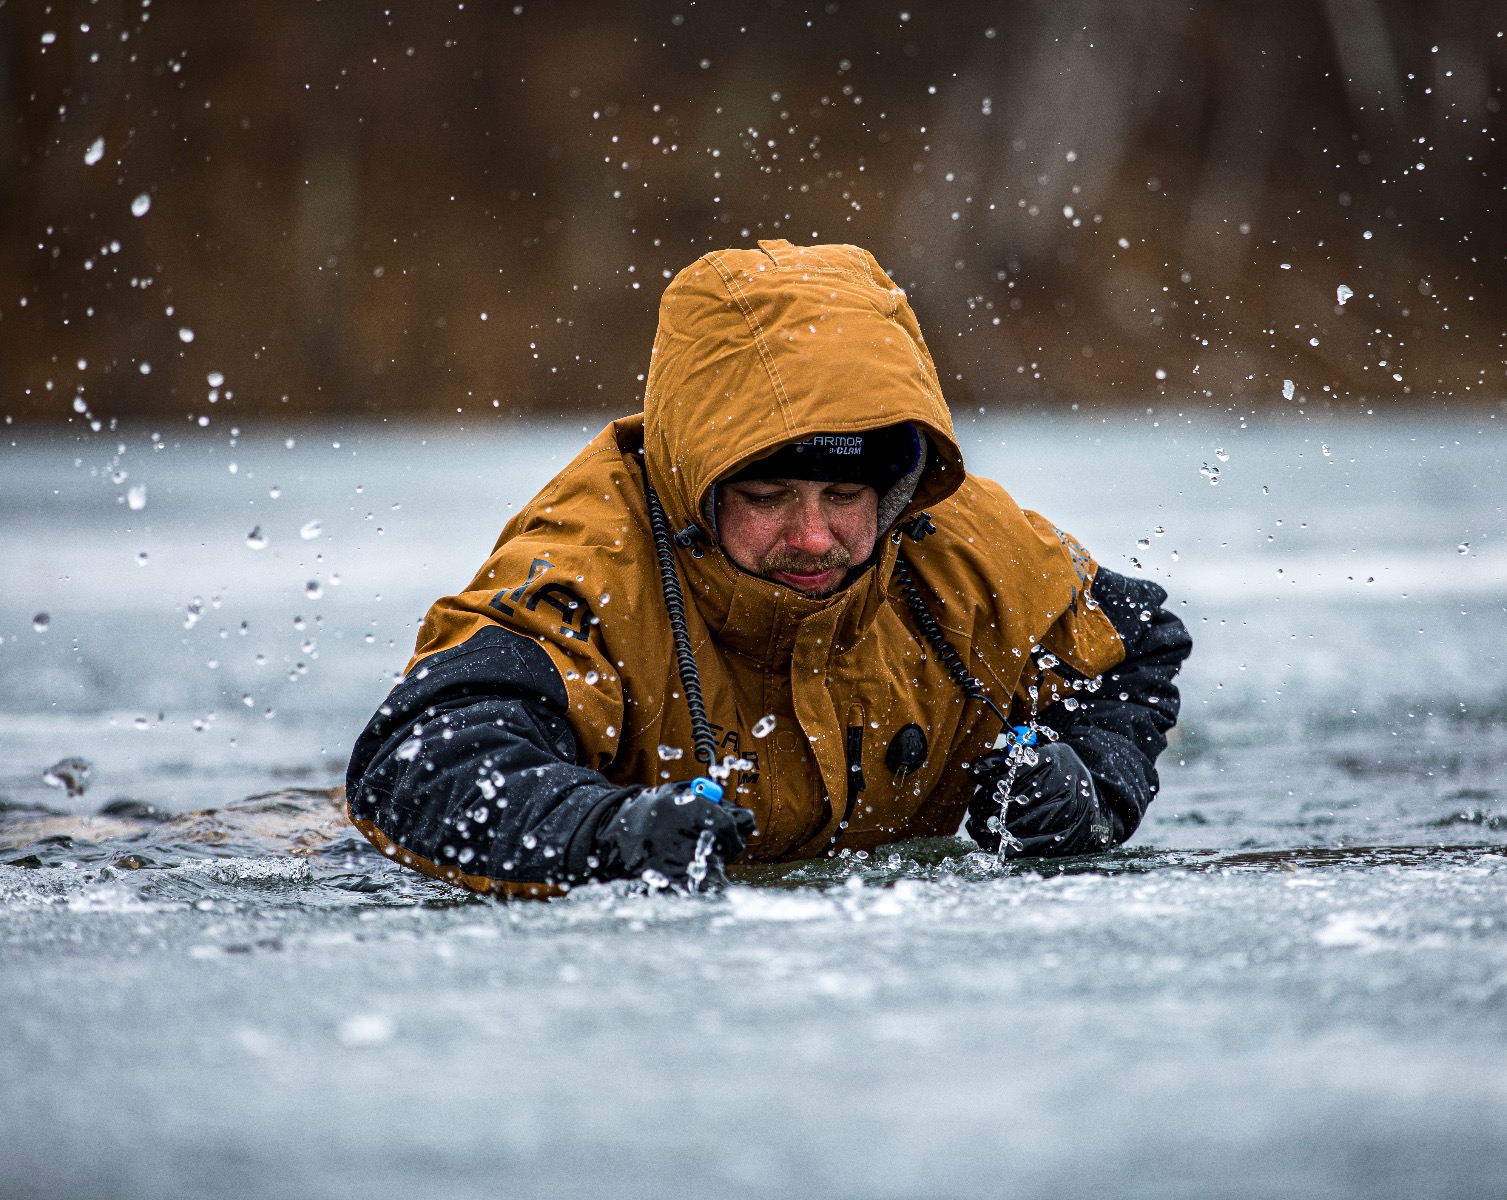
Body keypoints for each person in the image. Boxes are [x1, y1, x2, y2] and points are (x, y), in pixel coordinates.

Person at [346, 240, 1192, 897]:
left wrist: (1087, 788)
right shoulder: (588, 562)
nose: (815, 537)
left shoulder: (960, 543)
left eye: (843, 495)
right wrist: (609, 836)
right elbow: (421, 760)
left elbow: (1136, 650)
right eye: (769, 495)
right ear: (696, 484)